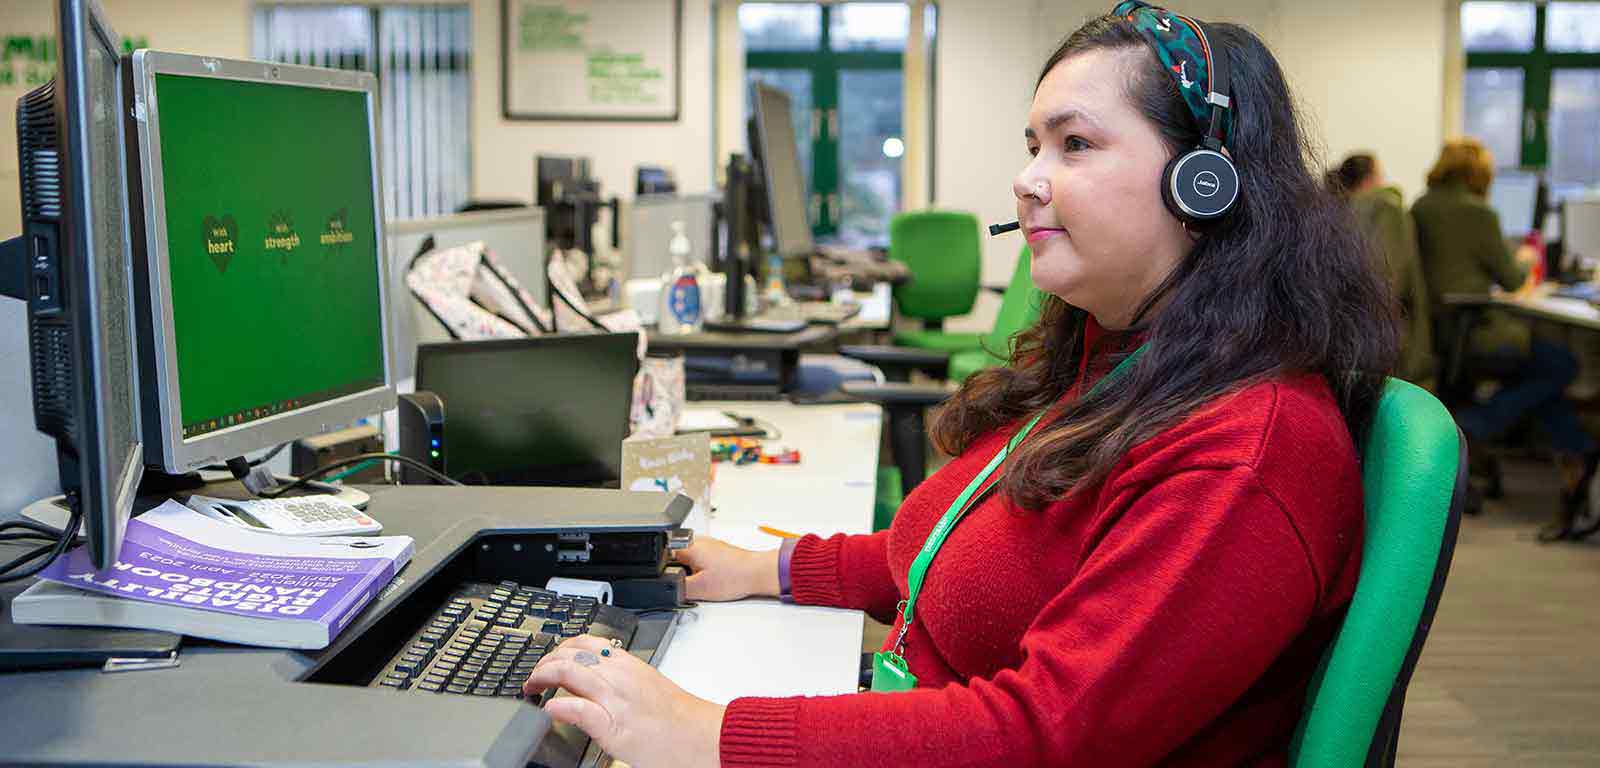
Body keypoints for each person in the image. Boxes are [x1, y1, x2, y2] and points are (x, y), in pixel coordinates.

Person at [521, 3, 1398, 765]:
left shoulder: (1241, 451)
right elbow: (946, 545)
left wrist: (707, 735)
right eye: (1033, 145)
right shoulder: (1124, 365)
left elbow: (1046, 734)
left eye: (1076, 143)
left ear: (1203, 183)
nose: (1026, 178)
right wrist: (768, 568)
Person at [1412, 138, 1599, 541]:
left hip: (1443, 335)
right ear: (1476, 173)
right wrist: (1527, 259)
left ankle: (1577, 456)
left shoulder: (1422, 206)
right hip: (1480, 335)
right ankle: (1476, 425)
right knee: (1562, 365)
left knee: (1545, 379)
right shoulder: (1476, 212)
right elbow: (1513, 279)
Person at [1328, 152, 1435, 386]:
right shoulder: (1387, 206)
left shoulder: (1329, 214)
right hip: (1393, 354)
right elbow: (1393, 284)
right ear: (1369, 181)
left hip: (1344, 353)